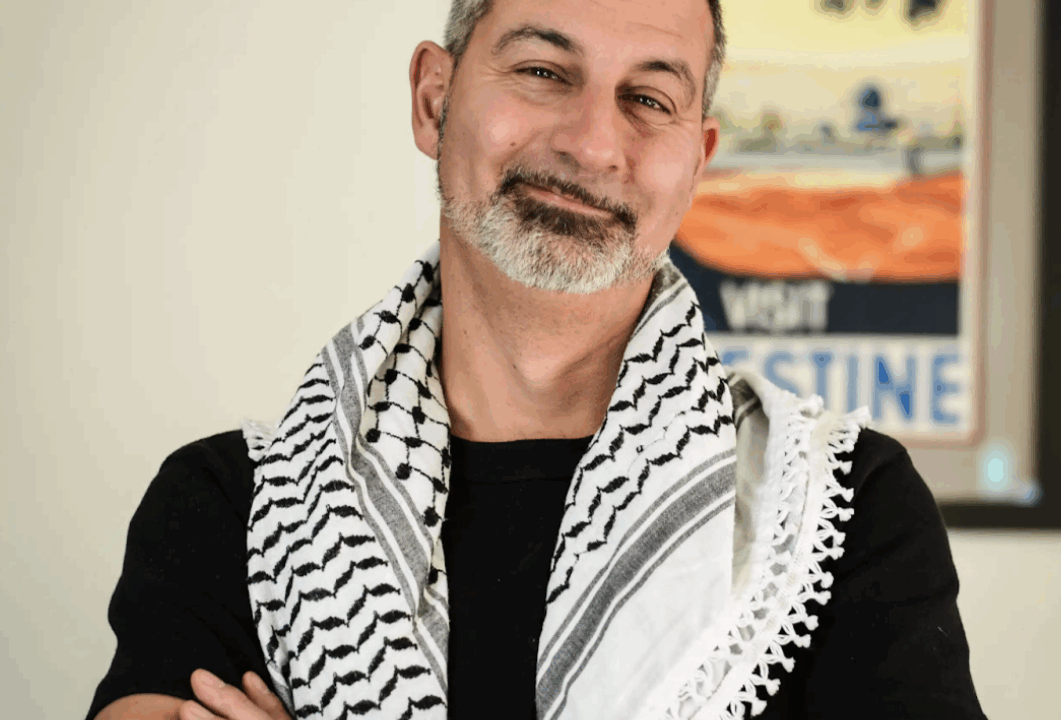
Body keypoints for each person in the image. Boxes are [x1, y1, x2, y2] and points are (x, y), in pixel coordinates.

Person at [87, 0, 988, 718]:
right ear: (433, 101)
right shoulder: (233, 506)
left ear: (697, 161)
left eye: (650, 99)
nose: (593, 143)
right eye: (543, 72)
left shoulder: (839, 510)